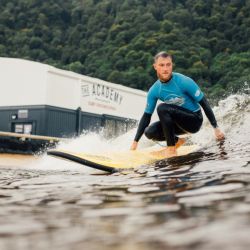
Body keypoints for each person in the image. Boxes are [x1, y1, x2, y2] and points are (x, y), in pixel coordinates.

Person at [130, 51, 225, 157]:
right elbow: (146, 116)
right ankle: (177, 141)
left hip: (194, 120)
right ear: (155, 67)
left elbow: (204, 103)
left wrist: (216, 129)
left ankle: (171, 149)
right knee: (149, 132)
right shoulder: (154, 90)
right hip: (177, 124)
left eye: (168, 65)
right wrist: (135, 142)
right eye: (161, 65)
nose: (165, 68)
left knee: (162, 108)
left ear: (172, 65)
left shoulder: (184, 81)